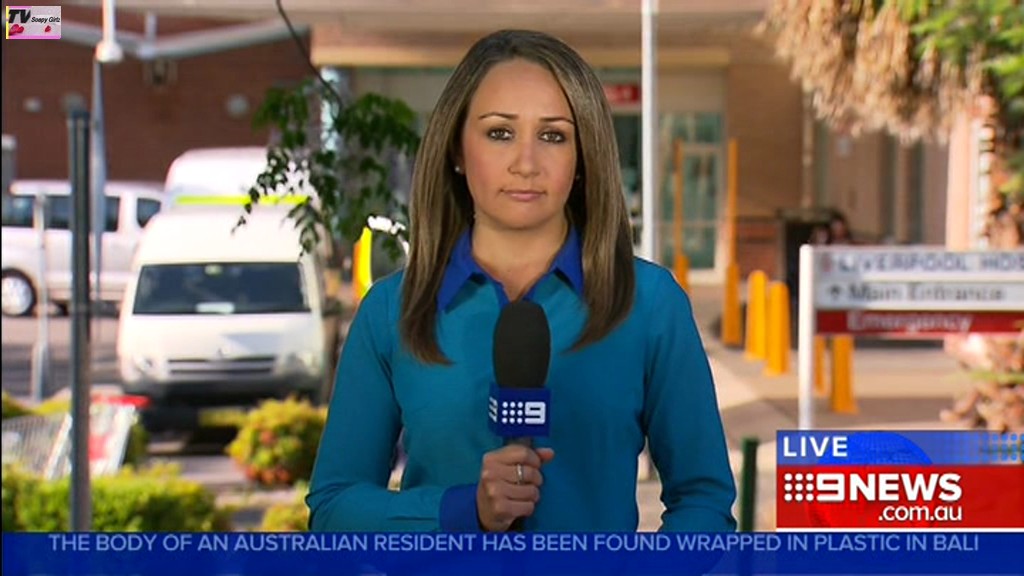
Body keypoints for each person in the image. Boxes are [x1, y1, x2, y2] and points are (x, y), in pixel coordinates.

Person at [307, 29, 737, 533]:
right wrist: (463, 509)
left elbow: (704, 501)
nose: (526, 164)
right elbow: (334, 508)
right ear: (457, 150)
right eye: (499, 133)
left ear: (582, 157)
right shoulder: (391, 311)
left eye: (553, 136)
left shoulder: (650, 304)